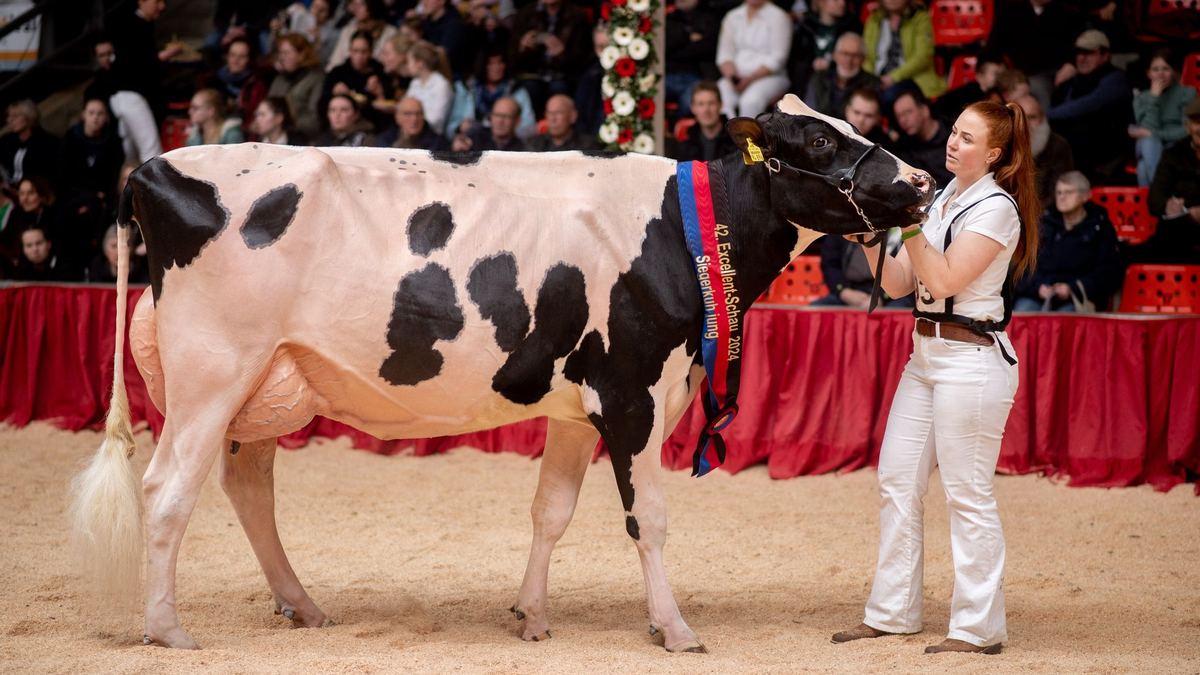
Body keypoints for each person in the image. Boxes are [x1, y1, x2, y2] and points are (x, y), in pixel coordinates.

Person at [834, 100, 1041, 655]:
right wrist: (874, 235)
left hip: (971, 361)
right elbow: (903, 284)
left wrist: (907, 221)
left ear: (993, 153)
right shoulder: (946, 195)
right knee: (896, 480)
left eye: (967, 138)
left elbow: (945, 278)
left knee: (967, 494)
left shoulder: (997, 207)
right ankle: (893, 612)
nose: (952, 142)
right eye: (953, 132)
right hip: (924, 355)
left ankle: (978, 629)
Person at [1013, 171, 1120, 312]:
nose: (1062, 197)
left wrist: (1073, 288)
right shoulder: (1045, 224)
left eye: (1068, 192)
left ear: (1085, 196)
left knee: (1066, 317)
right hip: (1039, 294)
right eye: (1059, 193)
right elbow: (1024, 264)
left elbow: (1109, 272)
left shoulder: (1100, 227)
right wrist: (1038, 287)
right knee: (1023, 312)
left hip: (1078, 296)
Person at [1047, 29, 1132, 185]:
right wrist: (1062, 86)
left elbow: (1088, 105)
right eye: (1078, 53)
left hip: (1105, 153)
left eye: (1088, 53)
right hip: (1075, 150)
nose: (1081, 58)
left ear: (1105, 55)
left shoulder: (1116, 78)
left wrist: (1043, 116)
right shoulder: (1074, 80)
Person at [984, 0, 1085, 109]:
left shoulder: (1067, 12)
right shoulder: (1010, 10)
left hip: (1058, 72)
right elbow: (992, 50)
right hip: (1022, 75)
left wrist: (1071, 64)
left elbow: (1081, 45)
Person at [508, 0, 594, 119]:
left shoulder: (577, 15)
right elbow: (512, 59)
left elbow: (584, 60)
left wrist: (562, 54)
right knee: (530, 87)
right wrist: (523, 47)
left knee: (559, 86)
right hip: (533, 74)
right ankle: (536, 129)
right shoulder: (527, 13)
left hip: (563, 74)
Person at [1140, 98, 1200, 264]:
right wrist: (1167, 205)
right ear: (1188, 128)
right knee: (1167, 235)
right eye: (1196, 123)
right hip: (1183, 223)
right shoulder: (1173, 154)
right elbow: (1155, 196)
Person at [862, 0, 946, 115]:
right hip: (878, 78)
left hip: (911, 78)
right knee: (858, 95)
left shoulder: (920, 17)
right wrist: (869, 79)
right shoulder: (874, 19)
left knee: (887, 98)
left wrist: (893, 77)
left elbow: (923, 56)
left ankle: (891, 132)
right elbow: (866, 55)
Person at [87, 37, 162, 163]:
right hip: (120, 114)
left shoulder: (127, 66)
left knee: (149, 151)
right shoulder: (97, 82)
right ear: (96, 58)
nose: (107, 58)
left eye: (110, 54)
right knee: (130, 155)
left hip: (134, 101)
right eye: (102, 55)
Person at [1130, 49, 1197, 188]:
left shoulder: (1186, 93)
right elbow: (1147, 130)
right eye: (1155, 69)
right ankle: (1163, 195)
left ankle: (1155, 204)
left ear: (1174, 72)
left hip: (1176, 144)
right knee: (1149, 142)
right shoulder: (1141, 98)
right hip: (1148, 146)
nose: (1160, 73)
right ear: (1148, 73)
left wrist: (1155, 134)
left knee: (1142, 169)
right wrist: (1154, 98)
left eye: (1165, 69)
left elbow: (1187, 130)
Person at [715, 0, 792, 118]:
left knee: (750, 101)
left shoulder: (779, 17)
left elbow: (778, 58)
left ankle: (748, 136)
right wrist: (733, 77)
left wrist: (750, 79)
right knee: (718, 94)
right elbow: (724, 54)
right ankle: (729, 135)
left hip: (770, 77)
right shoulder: (732, 16)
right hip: (737, 76)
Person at [447, 46, 537, 140]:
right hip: (472, 143)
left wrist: (508, 130)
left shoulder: (517, 90)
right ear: (481, 65)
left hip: (507, 146)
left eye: (500, 62)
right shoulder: (465, 88)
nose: (496, 67)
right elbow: (449, 128)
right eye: (490, 63)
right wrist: (459, 128)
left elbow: (529, 128)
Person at [813, 231, 913, 307]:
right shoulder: (844, 222)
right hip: (850, 288)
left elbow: (907, 268)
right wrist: (843, 292)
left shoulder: (898, 227)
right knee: (816, 308)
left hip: (890, 294)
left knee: (899, 311)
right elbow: (829, 264)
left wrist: (881, 297)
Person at [58, 97, 125, 210]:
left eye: (100, 113)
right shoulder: (70, 140)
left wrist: (106, 195)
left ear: (106, 117)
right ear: (83, 114)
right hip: (76, 199)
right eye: (91, 113)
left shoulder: (113, 141)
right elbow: (63, 176)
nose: (95, 117)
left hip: (106, 200)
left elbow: (117, 174)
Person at [789, 0, 861, 101]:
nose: (842, 3)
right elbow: (795, 59)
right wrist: (812, 63)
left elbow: (855, 57)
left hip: (838, 80)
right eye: (836, 0)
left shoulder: (852, 26)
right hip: (807, 79)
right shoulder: (805, 26)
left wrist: (832, 63)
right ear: (821, 2)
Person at [664, 0, 721, 120]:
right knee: (652, 94)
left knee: (689, 102)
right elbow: (665, 46)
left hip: (697, 75)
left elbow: (707, 48)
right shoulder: (670, 17)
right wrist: (688, 37)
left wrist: (678, 44)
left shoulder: (710, 17)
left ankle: (677, 133)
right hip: (668, 73)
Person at [321, 31, 389, 131]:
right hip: (338, 126)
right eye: (355, 51)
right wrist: (333, 95)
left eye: (364, 52)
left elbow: (385, 109)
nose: (359, 56)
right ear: (349, 51)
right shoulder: (337, 73)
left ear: (371, 52)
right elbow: (321, 106)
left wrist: (379, 95)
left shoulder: (381, 73)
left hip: (371, 125)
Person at [804, 33, 879, 119]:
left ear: (863, 59)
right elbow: (808, 114)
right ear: (835, 55)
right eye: (844, 54)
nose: (848, 60)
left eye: (855, 56)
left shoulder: (872, 85)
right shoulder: (818, 79)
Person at [1014, 95, 1074, 205]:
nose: (1027, 125)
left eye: (1032, 118)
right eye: (1021, 118)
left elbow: (1057, 196)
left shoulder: (1058, 147)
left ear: (1043, 117)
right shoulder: (1000, 147)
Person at [267, 34, 326, 138]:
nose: (281, 58)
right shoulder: (279, 79)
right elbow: (268, 106)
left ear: (302, 54)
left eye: (286, 53)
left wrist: (286, 122)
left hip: (304, 139)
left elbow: (315, 120)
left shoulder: (317, 78)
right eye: (280, 53)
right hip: (275, 136)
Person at [891, 89, 952, 188]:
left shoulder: (953, 134)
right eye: (899, 117)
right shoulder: (905, 150)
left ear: (924, 110)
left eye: (908, 112)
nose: (903, 120)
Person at [205, 37, 268, 130]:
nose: (236, 60)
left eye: (242, 56)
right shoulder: (214, 80)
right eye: (232, 55)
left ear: (250, 59)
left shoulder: (256, 84)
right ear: (226, 57)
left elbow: (254, 117)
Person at [0, 100, 59, 191]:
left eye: (14, 116)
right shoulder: (7, 140)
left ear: (29, 117)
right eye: (9, 116)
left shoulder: (47, 143)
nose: (9, 120)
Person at [673, 81, 737, 162]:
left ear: (720, 105)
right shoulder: (684, 146)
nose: (706, 110)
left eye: (711, 103)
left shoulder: (736, 142)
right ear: (693, 108)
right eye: (701, 104)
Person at [327, 0, 398, 72]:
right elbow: (335, 62)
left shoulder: (390, 33)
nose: (356, 8)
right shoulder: (349, 30)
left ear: (373, 5)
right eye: (355, 4)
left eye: (362, 4)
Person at [933, 56, 1006, 120]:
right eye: (996, 74)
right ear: (980, 76)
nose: (1001, 78)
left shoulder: (1001, 94)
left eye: (1004, 74)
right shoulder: (966, 96)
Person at [405, 41, 455, 136]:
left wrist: (413, 120)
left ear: (420, 64)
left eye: (409, 62)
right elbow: (406, 107)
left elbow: (436, 119)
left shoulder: (442, 84)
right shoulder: (415, 83)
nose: (407, 66)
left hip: (432, 136)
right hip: (412, 132)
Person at [526, 95, 600, 152]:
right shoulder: (533, 145)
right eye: (550, 113)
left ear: (573, 116)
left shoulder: (588, 146)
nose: (553, 119)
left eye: (559, 113)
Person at [452, 97, 526, 152]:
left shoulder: (522, 150)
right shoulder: (475, 137)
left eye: (506, 116)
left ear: (517, 121)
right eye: (496, 115)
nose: (500, 121)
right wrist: (455, 150)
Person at [375, 97, 451, 150]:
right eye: (408, 114)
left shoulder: (439, 144)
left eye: (418, 114)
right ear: (397, 117)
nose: (414, 119)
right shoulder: (384, 141)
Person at [420, 0, 471, 78]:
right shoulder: (425, 23)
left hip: (451, 79)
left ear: (442, 1)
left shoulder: (455, 25)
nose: (424, 2)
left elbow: (444, 58)